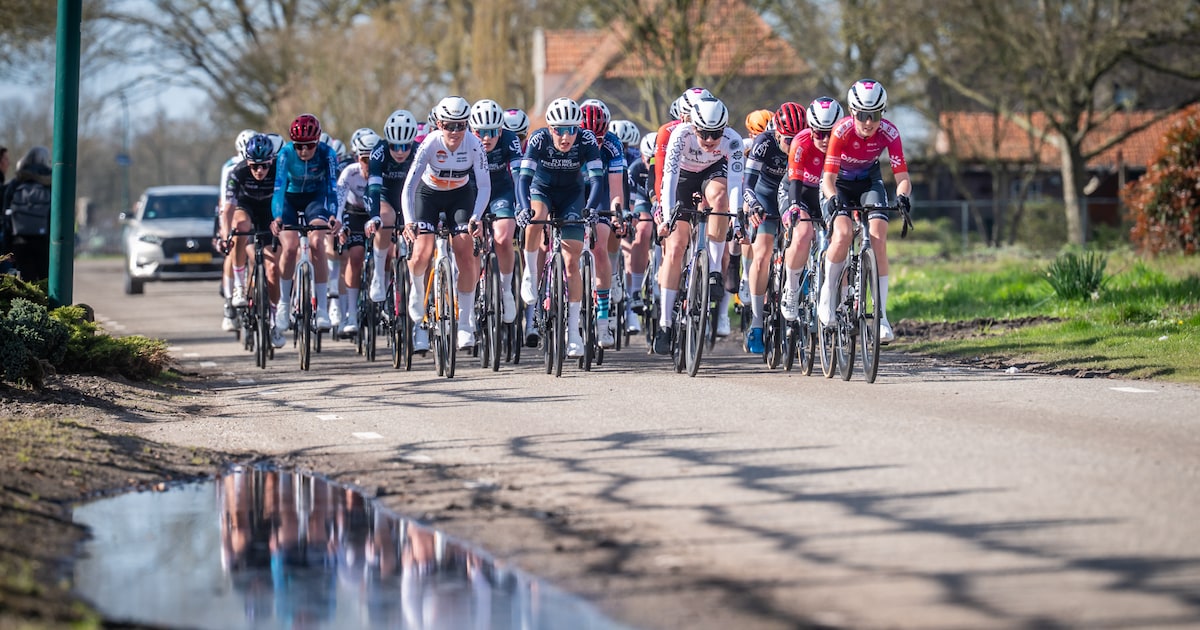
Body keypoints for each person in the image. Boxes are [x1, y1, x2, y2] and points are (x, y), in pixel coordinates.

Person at [819, 79, 911, 344]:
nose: (869, 122)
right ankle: (827, 294)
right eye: (862, 115)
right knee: (843, 232)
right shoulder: (841, 131)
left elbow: (902, 177)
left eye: (875, 115)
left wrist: (903, 196)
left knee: (879, 237)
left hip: (870, 182)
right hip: (840, 184)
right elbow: (827, 179)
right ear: (852, 111)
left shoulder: (890, 133)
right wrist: (834, 199)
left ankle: (881, 316)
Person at [515, 97, 605, 358]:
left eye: (571, 130)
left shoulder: (587, 141)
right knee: (536, 215)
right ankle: (530, 273)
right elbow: (523, 178)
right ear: (550, 128)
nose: (566, 136)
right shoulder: (538, 139)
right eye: (559, 130)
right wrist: (523, 208)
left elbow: (597, 180)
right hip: (541, 190)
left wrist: (591, 208)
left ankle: (574, 331)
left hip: (571, 196)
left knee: (571, 262)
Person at [652, 98, 744, 355]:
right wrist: (667, 216)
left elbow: (736, 185)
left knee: (720, 195)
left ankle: (714, 270)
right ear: (694, 127)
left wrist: (737, 223)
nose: (709, 139)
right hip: (682, 178)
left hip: (711, 173)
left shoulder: (733, 140)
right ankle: (665, 323)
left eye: (716, 134)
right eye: (704, 133)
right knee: (676, 246)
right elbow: (668, 179)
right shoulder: (680, 135)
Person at [402, 96, 491, 352]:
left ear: (467, 125)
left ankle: (464, 323)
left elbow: (484, 185)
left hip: (459, 197)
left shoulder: (474, 145)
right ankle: (417, 294)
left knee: (465, 254)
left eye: (460, 125)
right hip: (428, 195)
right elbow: (409, 186)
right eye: (448, 125)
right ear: (438, 124)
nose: (454, 132)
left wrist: (476, 216)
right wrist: (409, 221)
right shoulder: (430, 143)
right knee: (422, 251)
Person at [740, 101, 804, 354]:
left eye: (797, 138)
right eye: (788, 139)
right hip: (765, 195)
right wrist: (752, 205)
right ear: (776, 133)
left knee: (800, 241)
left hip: (791, 195)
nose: (793, 144)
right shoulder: (763, 143)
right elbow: (747, 184)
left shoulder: (807, 143)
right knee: (763, 253)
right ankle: (756, 323)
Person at [271, 113, 341, 335]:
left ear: (317, 141)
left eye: (309, 145)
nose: (303, 151)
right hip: (289, 200)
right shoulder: (285, 154)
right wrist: (277, 217)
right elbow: (279, 187)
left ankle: (321, 309)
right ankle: (283, 304)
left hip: (315, 198)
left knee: (317, 242)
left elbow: (332, 187)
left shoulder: (327, 154)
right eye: (299, 145)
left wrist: (332, 215)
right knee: (290, 247)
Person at [782, 96, 846, 322]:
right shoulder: (801, 143)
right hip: (799, 191)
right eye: (819, 132)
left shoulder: (845, 142)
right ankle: (790, 289)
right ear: (810, 128)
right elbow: (795, 183)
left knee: (840, 241)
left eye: (830, 132)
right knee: (802, 233)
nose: (825, 139)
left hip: (828, 195)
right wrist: (794, 207)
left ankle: (843, 297)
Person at [221, 134, 286, 346]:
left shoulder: (279, 170)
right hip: (245, 208)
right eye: (255, 166)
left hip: (269, 214)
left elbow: (286, 200)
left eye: (265, 166)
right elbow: (228, 207)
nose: (260, 171)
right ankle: (239, 287)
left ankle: (275, 321)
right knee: (240, 227)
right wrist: (224, 234)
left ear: (272, 161)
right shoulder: (237, 172)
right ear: (247, 162)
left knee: (273, 270)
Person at [468, 98, 523, 324]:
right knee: (469, 244)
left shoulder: (510, 140)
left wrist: (521, 204)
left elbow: (519, 175)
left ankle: (506, 289)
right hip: (471, 192)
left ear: (501, 130)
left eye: (492, 132)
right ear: (473, 131)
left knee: (502, 238)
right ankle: (470, 295)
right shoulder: (466, 142)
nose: (487, 138)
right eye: (481, 132)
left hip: (501, 191)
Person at [579, 99, 625, 348]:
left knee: (600, 244)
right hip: (575, 189)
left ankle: (603, 318)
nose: (595, 144)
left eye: (599, 138)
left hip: (602, 191)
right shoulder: (571, 140)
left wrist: (617, 213)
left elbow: (616, 189)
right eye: (590, 138)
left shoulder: (613, 144)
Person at [364, 109, 418, 305]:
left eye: (406, 146)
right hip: (385, 195)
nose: (401, 151)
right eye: (395, 146)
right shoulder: (378, 152)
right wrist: (373, 216)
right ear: (388, 142)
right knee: (386, 219)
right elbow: (374, 187)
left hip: (408, 197)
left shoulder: (419, 151)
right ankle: (379, 275)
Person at [1, 146, 52, 282]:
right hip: (45, 242)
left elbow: (7, 218)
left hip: (20, 241)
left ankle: (28, 304)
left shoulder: (16, 183)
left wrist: (7, 250)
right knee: (47, 282)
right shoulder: (51, 181)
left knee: (26, 283)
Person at [622, 131, 656, 333]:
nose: (651, 162)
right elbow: (631, 202)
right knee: (643, 228)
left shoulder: (666, 166)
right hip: (643, 199)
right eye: (647, 159)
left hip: (662, 197)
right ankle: (635, 290)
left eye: (655, 158)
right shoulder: (635, 169)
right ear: (641, 156)